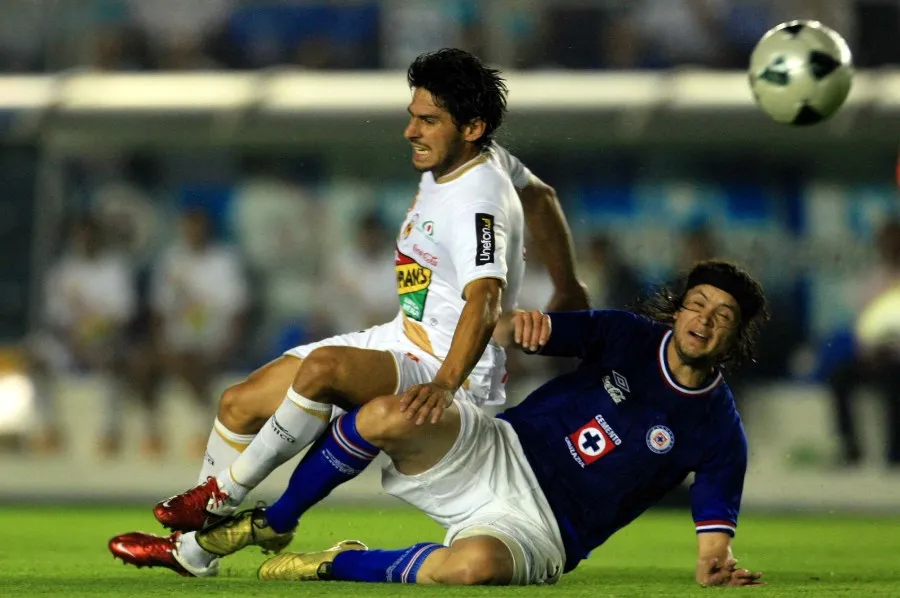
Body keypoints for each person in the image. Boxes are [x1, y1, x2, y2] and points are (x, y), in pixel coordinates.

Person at [115, 48, 588, 575]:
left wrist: (447, 384)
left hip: (448, 366)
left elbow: (486, 299)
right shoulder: (487, 158)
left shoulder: (478, 199)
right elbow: (541, 196)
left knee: (324, 370)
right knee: (239, 403)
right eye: (412, 115)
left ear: (472, 127)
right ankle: (198, 550)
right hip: (402, 336)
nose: (411, 131)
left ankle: (215, 503)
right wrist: (569, 285)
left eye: (428, 120)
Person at [110, 260, 768, 588]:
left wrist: (719, 565)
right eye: (697, 305)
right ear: (678, 308)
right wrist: (522, 325)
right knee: (390, 413)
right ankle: (274, 521)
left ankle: (337, 566)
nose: (702, 321)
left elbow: (714, 543)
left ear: (733, 339)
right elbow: (520, 329)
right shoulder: (626, 335)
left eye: (721, 318)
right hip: (500, 449)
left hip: (545, 530)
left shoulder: (719, 431)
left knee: (472, 567)